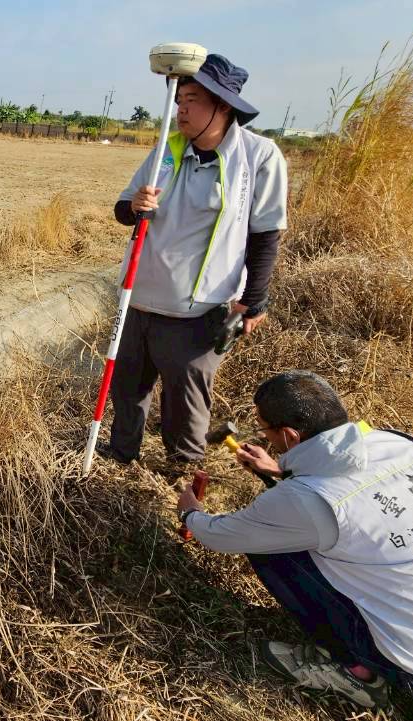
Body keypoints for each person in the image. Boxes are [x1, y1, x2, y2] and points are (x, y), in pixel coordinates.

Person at [175, 371, 413, 708]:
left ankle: (358, 674)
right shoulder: (397, 442)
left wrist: (190, 514)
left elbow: (226, 536)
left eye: (265, 430)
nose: (265, 437)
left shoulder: (308, 501)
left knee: (270, 550)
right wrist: (280, 472)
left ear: (289, 434)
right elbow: (355, 498)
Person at [101, 53, 288, 469]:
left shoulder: (259, 158)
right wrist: (134, 206)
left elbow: (265, 235)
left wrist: (253, 302)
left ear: (223, 106)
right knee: (128, 391)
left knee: (184, 406)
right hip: (139, 299)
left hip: (197, 311)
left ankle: (180, 478)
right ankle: (120, 460)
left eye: (192, 100)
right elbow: (122, 210)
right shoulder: (168, 147)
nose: (180, 109)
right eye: (179, 99)